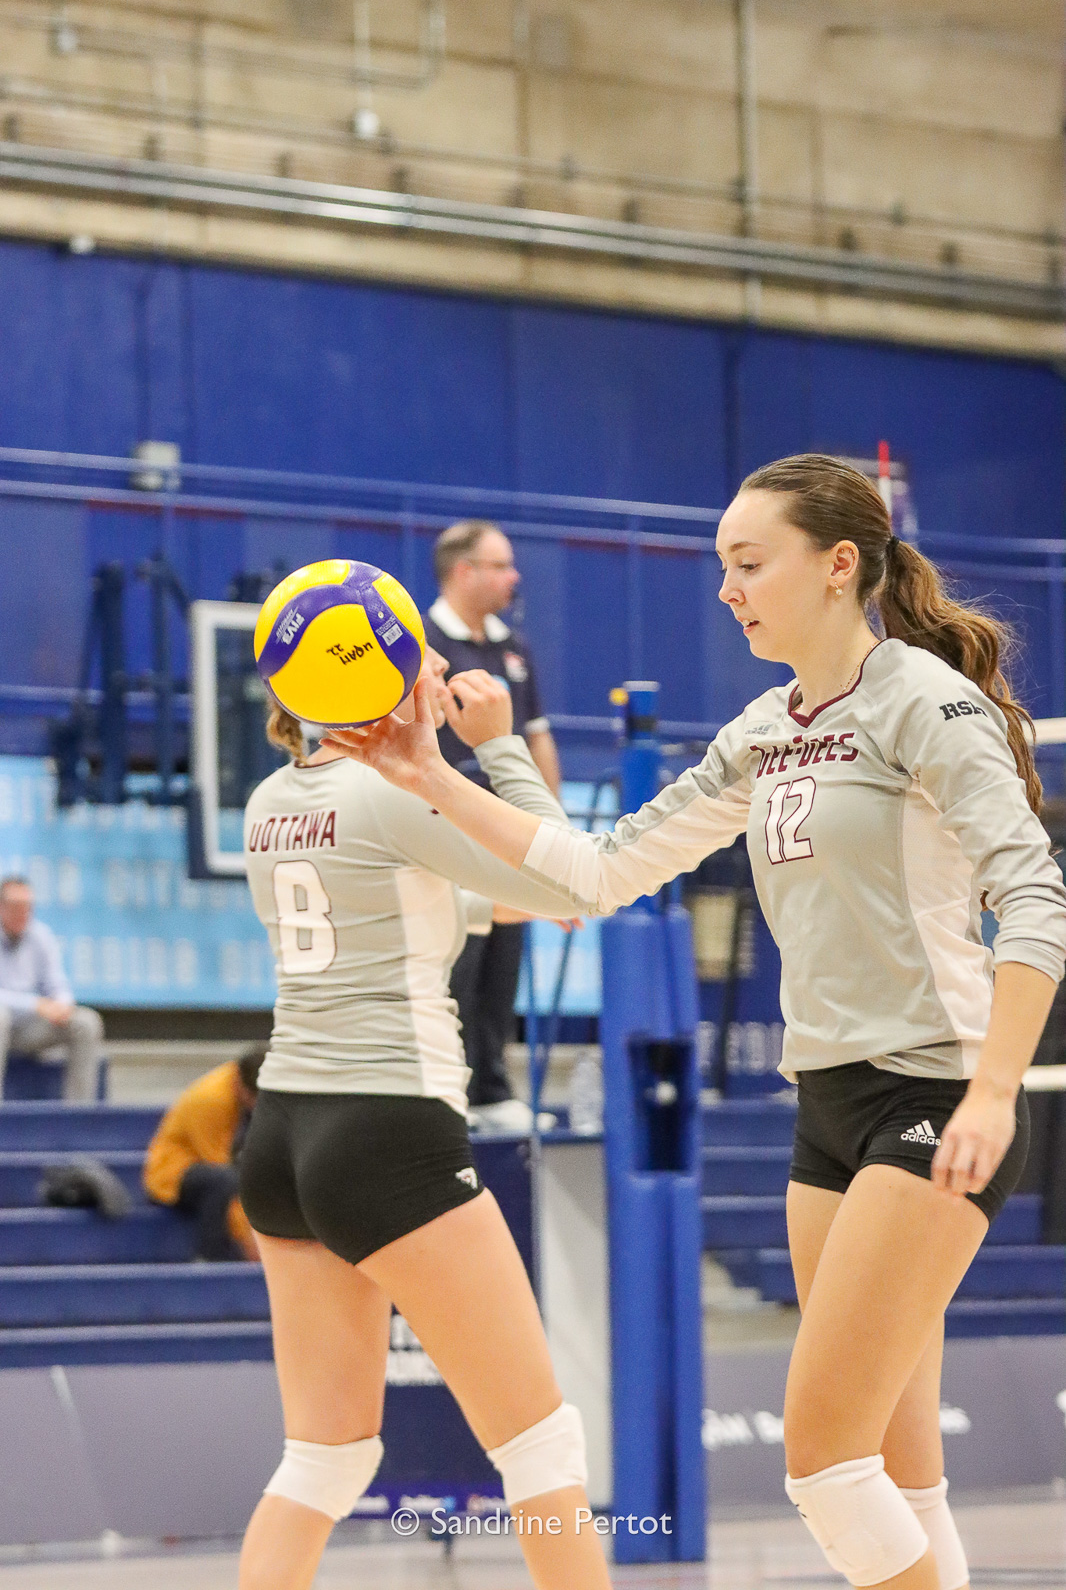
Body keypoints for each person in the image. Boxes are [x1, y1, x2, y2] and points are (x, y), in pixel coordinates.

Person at [334, 455, 1066, 1590]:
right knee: (897, 1469)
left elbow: (1034, 898)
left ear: (836, 566)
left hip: (936, 1097)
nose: (727, 588)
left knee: (822, 1465)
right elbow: (595, 873)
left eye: (747, 562)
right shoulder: (764, 727)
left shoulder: (926, 700)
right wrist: (430, 770)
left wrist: (989, 1089)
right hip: (825, 1107)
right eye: (720, 566)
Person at [236, 651, 611, 1590]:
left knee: (326, 1458)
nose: (443, 666)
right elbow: (573, 886)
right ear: (376, 679)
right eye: (421, 652)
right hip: (389, 1129)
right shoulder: (391, 799)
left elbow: (475, 899)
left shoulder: (271, 799)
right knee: (539, 1444)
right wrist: (503, 747)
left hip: (283, 1133)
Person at [427, 521, 562, 1130]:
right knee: (459, 954)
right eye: (502, 565)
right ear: (463, 572)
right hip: (446, 832)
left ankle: (491, 1087)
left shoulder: (516, 648)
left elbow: (537, 739)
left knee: (505, 957)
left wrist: (550, 831)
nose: (514, 577)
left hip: (507, 829)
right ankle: (448, 1089)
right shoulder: (421, 646)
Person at [143, 1044, 265, 1261]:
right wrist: (249, 1240)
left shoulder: (253, 1083)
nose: (259, 1107)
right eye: (255, 1101)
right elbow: (222, 1168)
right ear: (240, 1086)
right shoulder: (210, 1100)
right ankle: (209, 1260)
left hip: (224, 1165)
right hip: (174, 1173)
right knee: (222, 1182)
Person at [0, 875, 104, 1102]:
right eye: (16, 906)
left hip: (28, 1031)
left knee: (86, 1022)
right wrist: (35, 1004)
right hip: (4, 1024)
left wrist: (62, 1005)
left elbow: (58, 984)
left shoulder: (41, 936)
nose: (22, 913)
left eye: (28, 906)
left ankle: (78, 1115)